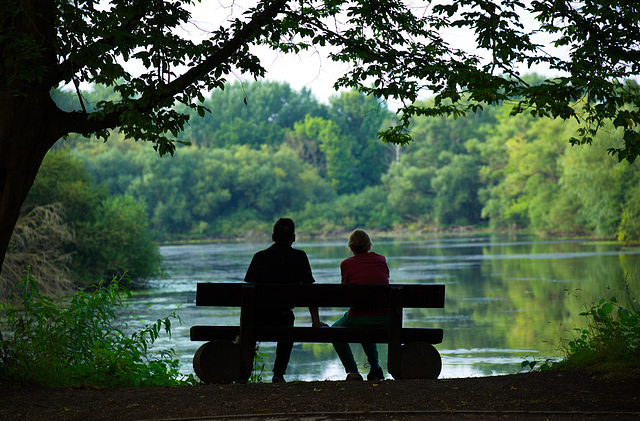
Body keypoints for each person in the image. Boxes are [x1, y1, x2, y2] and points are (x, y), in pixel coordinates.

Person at [244, 217, 326, 383]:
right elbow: (311, 290)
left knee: (256, 329)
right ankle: (278, 374)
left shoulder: (259, 257)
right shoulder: (300, 257)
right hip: (282, 316)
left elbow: (248, 288)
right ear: (293, 238)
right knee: (287, 320)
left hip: (259, 318)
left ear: (273, 237)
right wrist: (315, 321)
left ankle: (243, 374)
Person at [332, 229, 390, 382]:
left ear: (351, 247)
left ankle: (352, 371)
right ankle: (375, 367)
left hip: (358, 316)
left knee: (335, 331)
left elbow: (345, 295)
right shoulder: (381, 259)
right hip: (385, 318)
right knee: (366, 322)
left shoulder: (346, 264)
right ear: (369, 245)